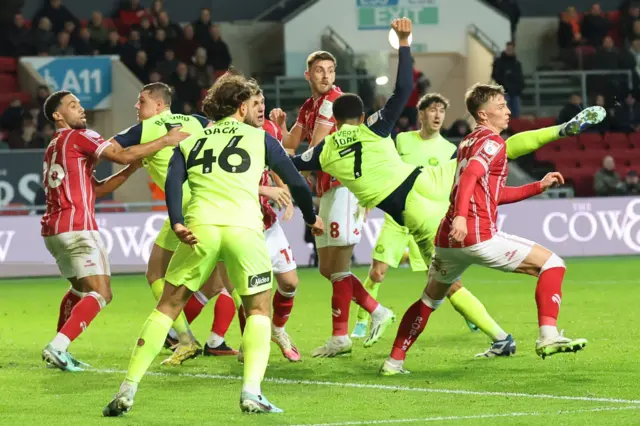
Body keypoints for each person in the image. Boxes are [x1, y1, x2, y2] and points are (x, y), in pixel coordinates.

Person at [290, 18, 604, 371]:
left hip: (420, 213)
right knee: (495, 156)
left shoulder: (326, 151)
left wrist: (281, 173)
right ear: (362, 116)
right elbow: (404, 88)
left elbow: (291, 164)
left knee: (432, 291)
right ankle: (509, 335)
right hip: (435, 194)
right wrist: (404, 43)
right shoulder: (378, 129)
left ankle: (400, 353)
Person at [103, 72, 323, 416]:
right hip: (244, 229)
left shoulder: (191, 140)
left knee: (167, 306)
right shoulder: (260, 138)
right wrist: (311, 217)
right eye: (252, 103)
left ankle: (127, 387)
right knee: (258, 310)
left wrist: (177, 221)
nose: (255, 109)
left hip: (200, 226)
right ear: (239, 106)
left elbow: (174, 182)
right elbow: (295, 181)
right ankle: (251, 392)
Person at [378, 82, 590, 375]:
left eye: (506, 104)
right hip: (476, 234)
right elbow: (469, 180)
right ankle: (548, 335)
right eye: (500, 106)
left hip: (448, 241)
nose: (508, 110)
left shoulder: (467, 142)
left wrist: (537, 186)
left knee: (429, 299)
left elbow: (493, 193)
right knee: (552, 264)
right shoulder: (492, 142)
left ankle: (394, 361)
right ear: (482, 114)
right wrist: (462, 218)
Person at [40, 90, 188, 371]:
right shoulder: (78, 136)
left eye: (80, 104)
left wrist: (132, 169)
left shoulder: (54, 146)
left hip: (54, 231)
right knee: (101, 293)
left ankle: (61, 348)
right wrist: (165, 141)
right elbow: (119, 154)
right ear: (58, 116)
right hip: (78, 227)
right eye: (73, 106)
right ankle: (58, 346)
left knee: (78, 290)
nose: (81, 109)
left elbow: (96, 188)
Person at [271, 51, 394, 359]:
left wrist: (280, 165)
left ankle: (341, 335)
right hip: (327, 191)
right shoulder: (309, 106)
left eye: (329, 70)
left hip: (344, 188)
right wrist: (280, 128)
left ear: (335, 75)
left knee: (338, 267)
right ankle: (376, 311)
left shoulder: (332, 103)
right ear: (308, 75)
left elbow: (313, 151)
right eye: (319, 71)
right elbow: (290, 144)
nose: (325, 76)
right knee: (328, 268)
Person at [351, 93, 498, 341]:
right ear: (421, 114)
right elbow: (383, 169)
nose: (438, 115)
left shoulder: (451, 150)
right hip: (398, 218)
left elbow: (459, 184)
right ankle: (362, 321)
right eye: (432, 110)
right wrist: (366, 202)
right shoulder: (402, 141)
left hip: (430, 221)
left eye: (441, 110)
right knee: (377, 272)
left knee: (447, 279)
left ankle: (470, 316)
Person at [111, 82, 240, 363]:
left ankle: (185, 339)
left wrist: (151, 147)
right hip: (215, 202)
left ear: (159, 106)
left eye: (141, 101)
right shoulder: (197, 121)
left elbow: (111, 152)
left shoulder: (148, 128)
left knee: (157, 274)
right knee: (226, 278)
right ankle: (256, 334)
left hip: (183, 210)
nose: (136, 106)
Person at [178, 81, 304, 362]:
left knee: (290, 283)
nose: (261, 109)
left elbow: (278, 165)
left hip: (266, 223)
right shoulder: (220, 135)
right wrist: (265, 189)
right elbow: (228, 178)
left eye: (263, 103)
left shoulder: (268, 132)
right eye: (255, 104)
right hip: (234, 222)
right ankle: (245, 346)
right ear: (242, 108)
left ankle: (278, 330)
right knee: (242, 294)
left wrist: (283, 191)